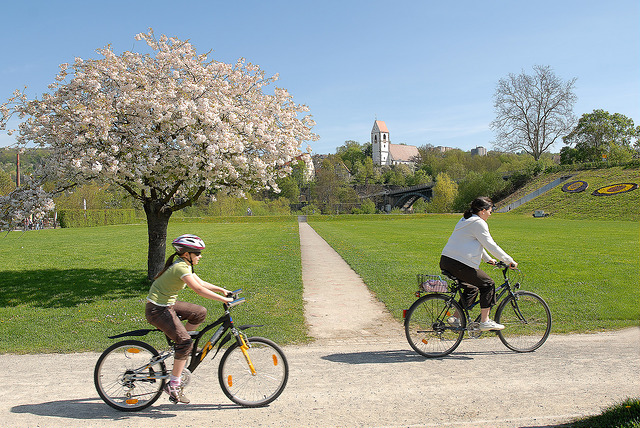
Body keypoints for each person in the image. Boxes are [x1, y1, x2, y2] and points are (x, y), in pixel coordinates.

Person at [146, 234, 233, 404]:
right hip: (157, 310)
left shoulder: (184, 265)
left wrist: (222, 290)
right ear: (187, 254)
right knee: (185, 342)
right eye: (197, 253)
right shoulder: (180, 268)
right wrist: (224, 300)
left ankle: (181, 348)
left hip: (167, 305)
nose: (200, 256)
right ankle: (173, 384)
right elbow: (198, 290)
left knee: (199, 312)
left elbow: (199, 282)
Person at [439, 197, 517, 331]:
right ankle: (485, 321)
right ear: (482, 211)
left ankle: (455, 318)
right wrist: (509, 261)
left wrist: (488, 259)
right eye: (490, 211)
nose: (490, 214)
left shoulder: (466, 220)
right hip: (459, 264)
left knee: (473, 287)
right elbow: (490, 245)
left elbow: (474, 242)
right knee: (487, 284)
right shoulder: (478, 223)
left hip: (447, 261)